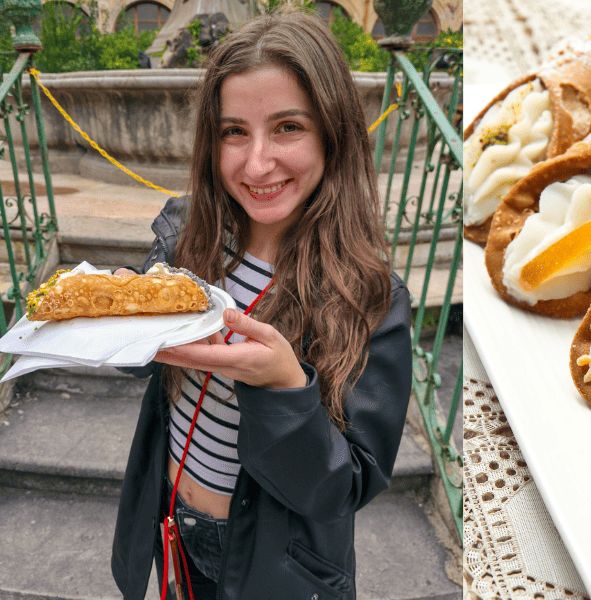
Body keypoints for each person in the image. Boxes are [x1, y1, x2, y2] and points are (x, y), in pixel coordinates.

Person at [110, 10, 414, 600]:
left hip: (281, 563)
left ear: (332, 132)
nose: (256, 164)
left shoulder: (370, 297)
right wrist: (127, 320)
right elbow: (146, 363)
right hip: (172, 522)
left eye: (288, 128)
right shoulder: (186, 234)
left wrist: (285, 389)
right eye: (233, 132)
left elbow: (348, 484)